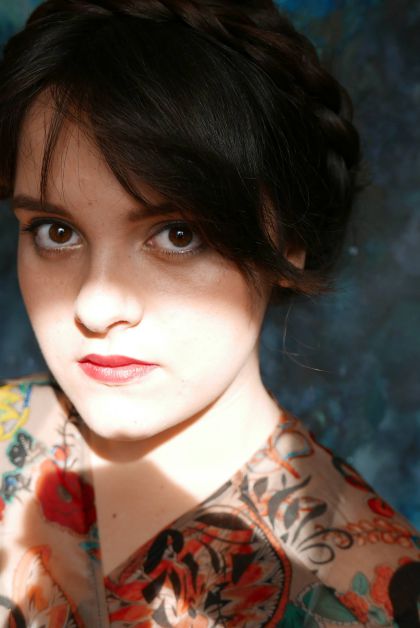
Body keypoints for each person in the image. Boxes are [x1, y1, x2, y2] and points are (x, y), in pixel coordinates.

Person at [0, 0, 419, 625]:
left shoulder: (364, 600)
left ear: (289, 242)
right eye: (56, 231)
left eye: (178, 234)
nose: (96, 302)